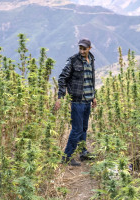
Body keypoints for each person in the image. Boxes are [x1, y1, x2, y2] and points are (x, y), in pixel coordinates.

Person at [54, 38, 97, 166]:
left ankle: (83, 153)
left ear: (89, 48)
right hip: (77, 101)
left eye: (84, 49)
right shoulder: (74, 61)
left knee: (84, 128)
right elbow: (62, 78)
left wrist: (93, 96)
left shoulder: (92, 60)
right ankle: (67, 157)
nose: (82, 51)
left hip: (87, 100)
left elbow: (90, 80)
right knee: (77, 129)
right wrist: (60, 97)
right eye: (80, 48)